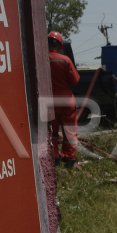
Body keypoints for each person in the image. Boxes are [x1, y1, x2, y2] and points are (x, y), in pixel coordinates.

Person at [46, 31, 80, 167]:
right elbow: (75, 80)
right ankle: (69, 158)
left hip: (49, 101)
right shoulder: (65, 60)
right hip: (66, 101)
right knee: (70, 131)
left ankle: (55, 158)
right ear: (60, 45)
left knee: (52, 131)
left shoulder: (41, 60)